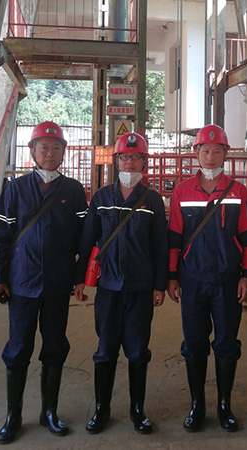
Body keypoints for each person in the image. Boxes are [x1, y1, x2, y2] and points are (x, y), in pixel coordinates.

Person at [0, 121, 88, 444]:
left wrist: (79, 278)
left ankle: (49, 412)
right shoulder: (15, 189)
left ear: (63, 153)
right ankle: (13, 417)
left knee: (55, 347)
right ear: (32, 151)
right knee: (18, 349)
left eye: (56, 147)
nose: (50, 153)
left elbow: (83, 240)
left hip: (58, 284)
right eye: (44, 147)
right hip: (22, 283)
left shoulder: (73, 191)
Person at [74, 132, 168, 435]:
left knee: (138, 351)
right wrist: (79, 279)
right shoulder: (101, 198)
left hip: (140, 288)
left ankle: (137, 411)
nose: (130, 162)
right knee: (105, 349)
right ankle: (101, 410)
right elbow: (88, 239)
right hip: (108, 288)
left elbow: (160, 246)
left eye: (136, 157)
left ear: (144, 162)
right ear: (116, 162)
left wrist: (159, 285)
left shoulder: (152, 200)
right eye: (125, 157)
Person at [167, 124, 247, 432]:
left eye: (217, 151)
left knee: (227, 342)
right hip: (192, 280)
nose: (211, 157)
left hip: (228, 280)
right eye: (205, 151)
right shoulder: (182, 191)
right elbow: (174, 237)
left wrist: (246, 275)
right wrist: (172, 276)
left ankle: (224, 407)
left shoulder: (238, 191)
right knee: (194, 343)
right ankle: (197, 406)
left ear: (225, 154)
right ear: (196, 153)